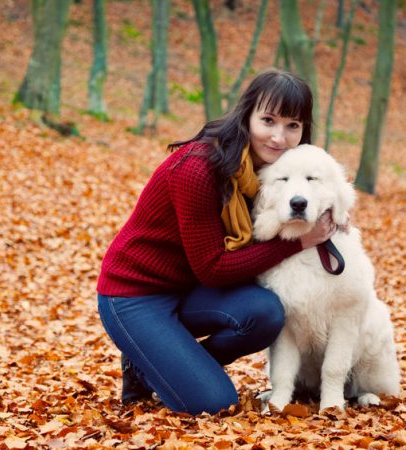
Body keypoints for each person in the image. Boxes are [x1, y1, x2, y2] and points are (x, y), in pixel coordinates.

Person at [97, 68, 338, 415]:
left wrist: (332, 214)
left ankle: (157, 367)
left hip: (186, 290)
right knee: (214, 403)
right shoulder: (198, 169)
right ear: (247, 115)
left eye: (292, 125)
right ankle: (153, 362)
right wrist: (297, 243)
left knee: (265, 313)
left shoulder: (265, 173)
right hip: (134, 295)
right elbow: (213, 269)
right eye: (268, 120)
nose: (279, 137)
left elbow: (303, 203)